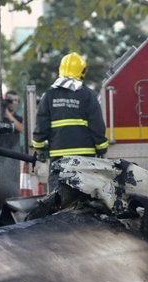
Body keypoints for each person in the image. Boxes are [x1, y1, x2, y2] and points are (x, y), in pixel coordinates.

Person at [33, 52, 108, 191]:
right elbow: (96, 124)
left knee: (57, 195)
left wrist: (39, 147)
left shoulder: (49, 95)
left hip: (59, 155)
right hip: (84, 156)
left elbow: (41, 124)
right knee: (84, 194)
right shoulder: (87, 94)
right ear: (82, 71)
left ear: (60, 69)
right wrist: (102, 147)